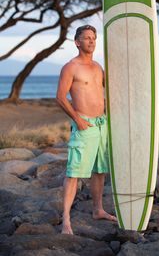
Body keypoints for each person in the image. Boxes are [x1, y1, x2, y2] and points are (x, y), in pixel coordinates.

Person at [56, 24, 117, 235]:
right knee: (73, 173)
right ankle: (66, 221)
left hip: (102, 125)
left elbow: (107, 92)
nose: (91, 41)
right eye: (87, 38)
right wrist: (78, 120)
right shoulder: (70, 67)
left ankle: (97, 210)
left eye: (94, 38)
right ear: (77, 42)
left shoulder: (98, 67)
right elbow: (61, 97)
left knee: (100, 171)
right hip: (84, 124)